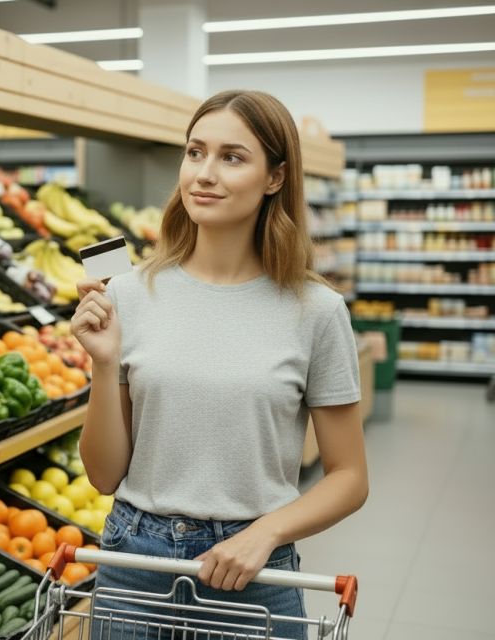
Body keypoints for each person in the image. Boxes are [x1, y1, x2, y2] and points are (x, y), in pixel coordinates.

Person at [72, 90, 369, 640]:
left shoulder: (316, 311)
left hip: (256, 572)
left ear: (275, 178)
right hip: (137, 565)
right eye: (194, 152)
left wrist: (267, 532)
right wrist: (103, 364)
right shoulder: (130, 295)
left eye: (232, 157)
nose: (204, 174)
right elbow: (104, 474)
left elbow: (350, 477)